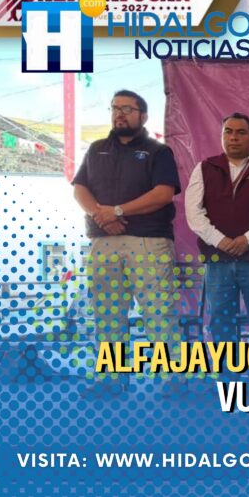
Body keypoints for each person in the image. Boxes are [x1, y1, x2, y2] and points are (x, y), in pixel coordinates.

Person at [72, 89, 180, 390]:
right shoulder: (96, 149)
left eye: (127, 109)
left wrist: (117, 211)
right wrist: (101, 216)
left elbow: (163, 194)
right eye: (115, 108)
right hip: (103, 241)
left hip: (148, 241)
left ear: (143, 116)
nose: (119, 114)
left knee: (158, 312)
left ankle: (172, 377)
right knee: (107, 314)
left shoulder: (158, 151)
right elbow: (79, 189)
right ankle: (111, 378)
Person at [184, 112, 249, 351]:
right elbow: (194, 213)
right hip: (217, 258)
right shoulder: (205, 168)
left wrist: (248, 239)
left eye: (241, 132)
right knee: (220, 319)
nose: (233, 137)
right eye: (228, 132)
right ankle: (226, 370)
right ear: (221, 136)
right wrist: (220, 241)